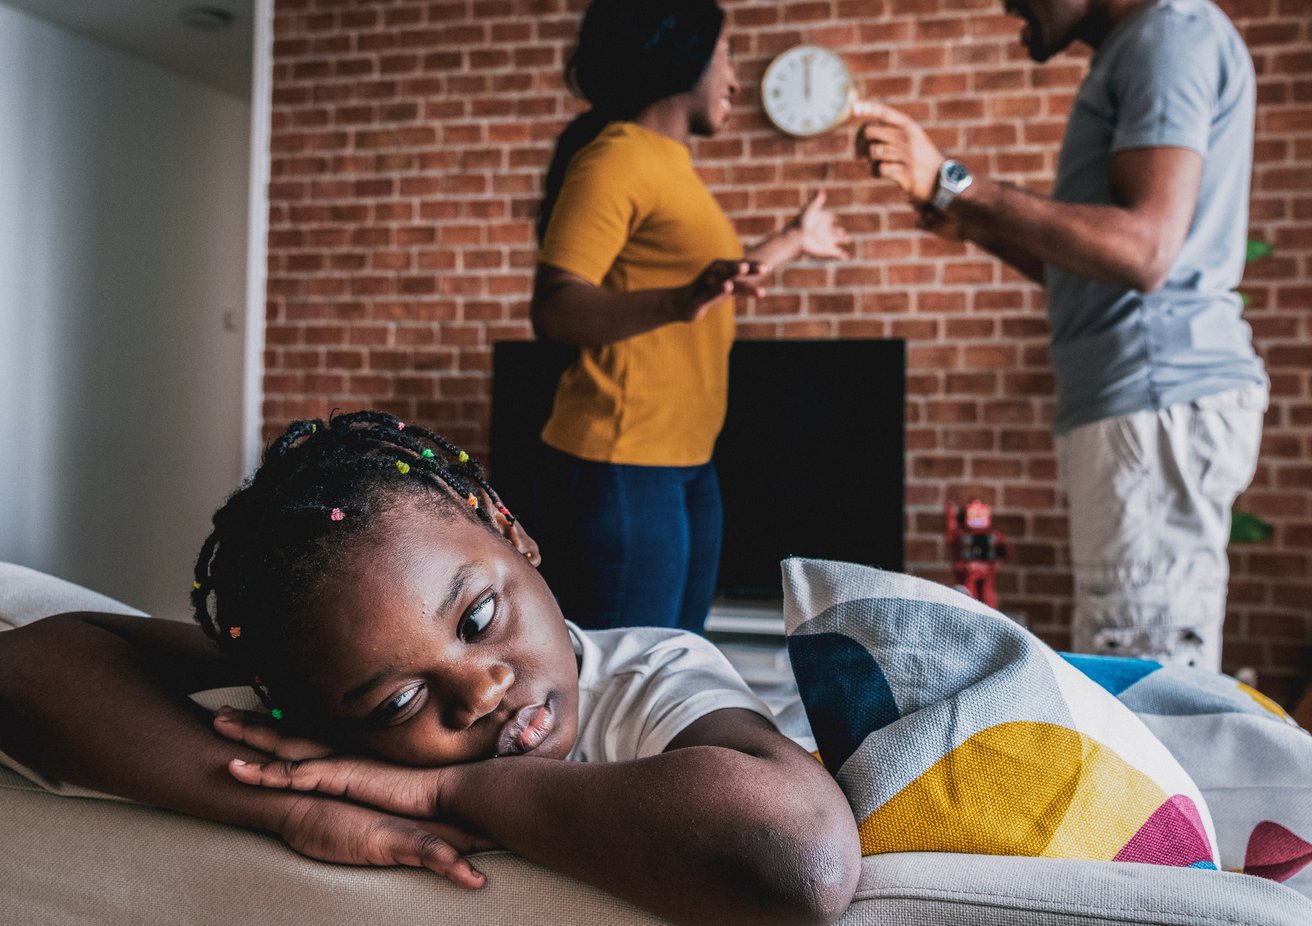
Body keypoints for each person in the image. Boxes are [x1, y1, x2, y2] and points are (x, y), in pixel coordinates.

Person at [0, 411, 860, 926]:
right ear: (306, 721)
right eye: (400, 699)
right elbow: (28, 667)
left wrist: (442, 792)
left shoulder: (650, 674)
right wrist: (280, 808)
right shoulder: (307, 694)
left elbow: (800, 861)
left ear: (511, 532)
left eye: (480, 617)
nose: (482, 687)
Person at [855, 0, 1268, 671]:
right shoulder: (1149, 40)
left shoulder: (1168, 33)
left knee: (1144, 687)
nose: (1007, 2)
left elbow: (1142, 250)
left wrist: (954, 184)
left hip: (1153, 395)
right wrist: (975, 222)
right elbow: (1099, 272)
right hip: (1140, 401)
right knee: (1132, 664)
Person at [529, 0, 852, 633]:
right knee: (629, 680)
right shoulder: (616, 157)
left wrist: (792, 239)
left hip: (684, 457)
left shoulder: (670, 165)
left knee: (675, 666)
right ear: (684, 54)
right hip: (622, 459)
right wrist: (679, 302)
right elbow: (557, 307)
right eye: (727, 54)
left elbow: (711, 282)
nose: (734, 77)